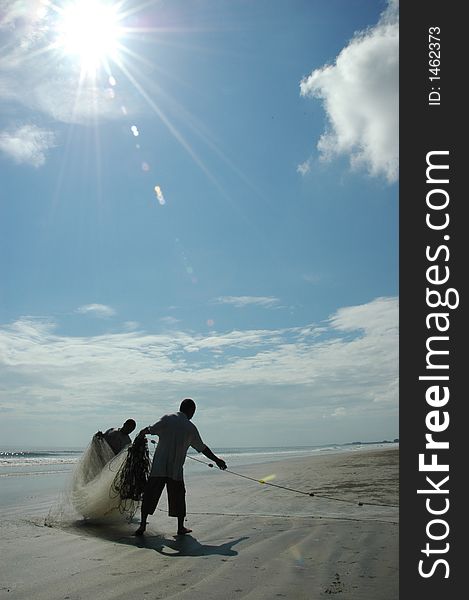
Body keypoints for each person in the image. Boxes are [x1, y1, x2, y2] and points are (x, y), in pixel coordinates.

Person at [134, 398, 226, 536]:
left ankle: (142, 526)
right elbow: (203, 448)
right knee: (178, 496)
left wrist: (141, 435)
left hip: (158, 467)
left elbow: (149, 430)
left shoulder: (167, 419)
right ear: (190, 410)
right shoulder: (190, 428)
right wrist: (217, 460)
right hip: (175, 470)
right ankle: (180, 527)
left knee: (150, 495)